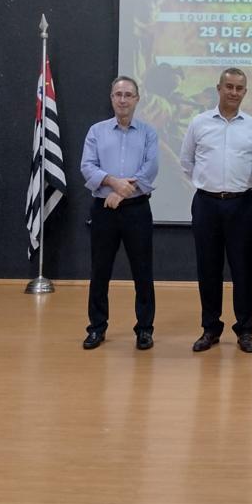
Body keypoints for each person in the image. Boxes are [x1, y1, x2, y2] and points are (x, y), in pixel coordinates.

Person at [180, 67, 252, 353]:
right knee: (208, 268)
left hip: (242, 205)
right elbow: (186, 161)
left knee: (243, 269)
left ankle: (245, 330)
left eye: (239, 88)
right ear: (219, 88)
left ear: (245, 92)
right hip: (207, 204)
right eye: (229, 87)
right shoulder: (199, 123)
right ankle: (210, 329)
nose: (233, 92)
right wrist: (208, 184)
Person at [80, 76, 159, 351]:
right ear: (111, 98)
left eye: (128, 95)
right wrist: (113, 183)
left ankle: (145, 329)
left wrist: (122, 193)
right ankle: (97, 327)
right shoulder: (96, 131)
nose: (123, 99)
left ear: (137, 99)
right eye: (118, 94)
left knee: (143, 271)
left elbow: (150, 169)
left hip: (137, 210)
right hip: (104, 211)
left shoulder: (148, 133)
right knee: (100, 271)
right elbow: (87, 166)